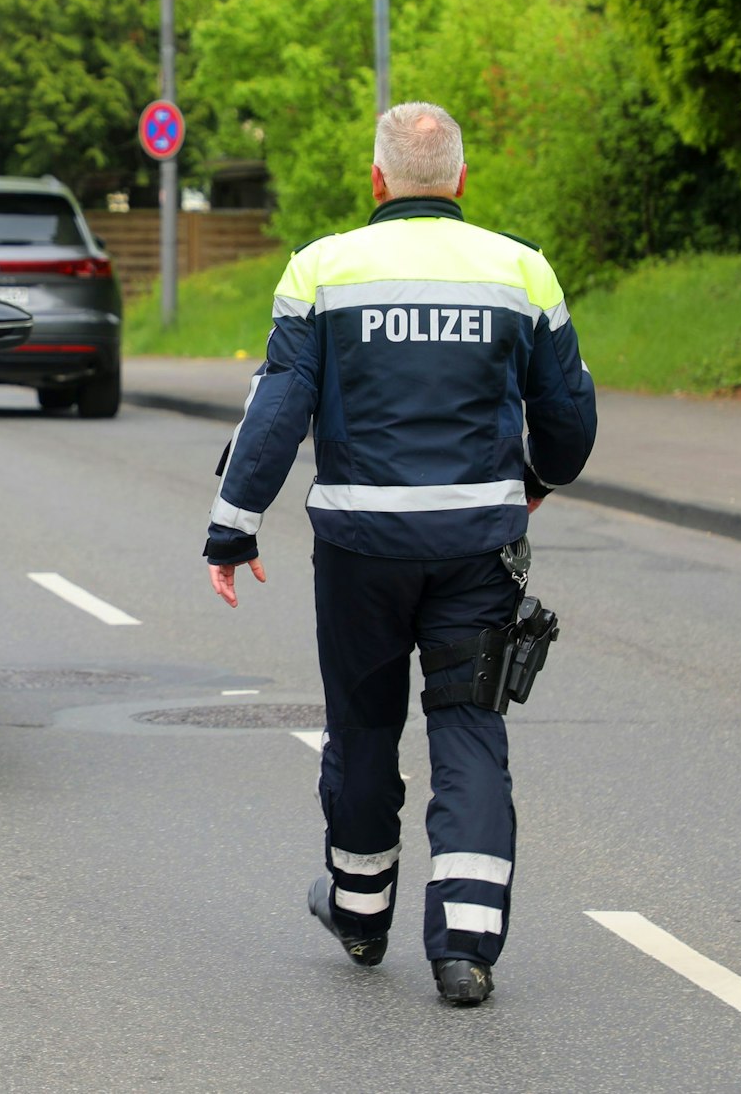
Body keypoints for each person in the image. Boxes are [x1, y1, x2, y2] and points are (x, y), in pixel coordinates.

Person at [201, 102, 597, 1006]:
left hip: (358, 552)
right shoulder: (521, 271)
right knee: (469, 730)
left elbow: (276, 411)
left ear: (377, 182)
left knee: (364, 728)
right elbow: (570, 419)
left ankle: (358, 910)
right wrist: (535, 476)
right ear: (459, 180)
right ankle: (464, 946)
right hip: (477, 550)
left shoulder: (322, 269)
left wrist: (234, 523)